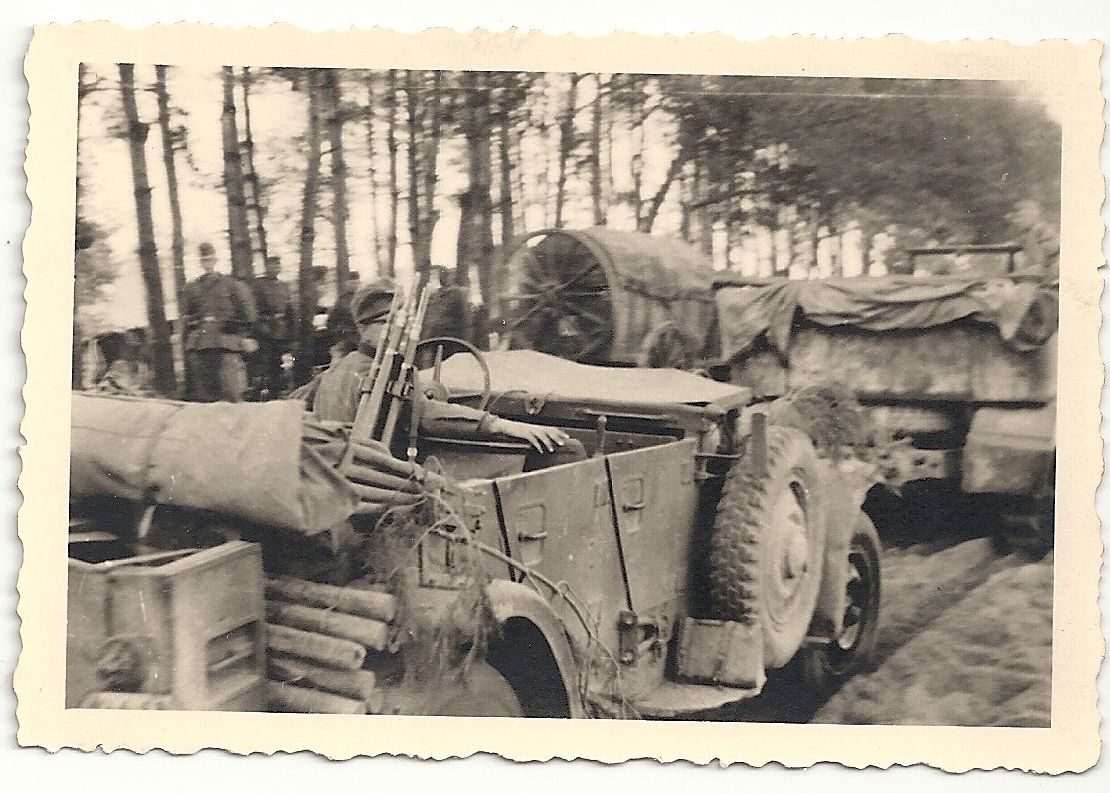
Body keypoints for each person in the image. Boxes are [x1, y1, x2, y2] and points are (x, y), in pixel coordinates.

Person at [302, 279, 586, 466]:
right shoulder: (383, 375)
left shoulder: (334, 371)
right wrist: (506, 425)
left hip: (346, 477)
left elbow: (297, 403)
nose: (401, 332)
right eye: (392, 323)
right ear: (367, 328)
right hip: (380, 481)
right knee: (565, 451)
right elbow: (425, 414)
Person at [182, 242, 258, 402]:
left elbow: (249, 315)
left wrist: (238, 332)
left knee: (230, 393)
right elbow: (187, 316)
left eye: (209, 259)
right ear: (200, 262)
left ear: (215, 260)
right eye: (203, 260)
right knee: (206, 396)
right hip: (201, 344)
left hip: (226, 343)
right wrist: (196, 323)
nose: (206, 263)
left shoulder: (231, 285)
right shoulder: (192, 288)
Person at [252, 255, 295, 398]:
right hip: (265, 329)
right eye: (272, 266)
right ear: (266, 268)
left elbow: (289, 309)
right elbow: (254, 309)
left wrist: (290, 330)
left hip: (281, 330)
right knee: (266, 364)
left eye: (277, 266)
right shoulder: (259, 285)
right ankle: (263, 392)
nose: (275, 269)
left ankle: (277, 391)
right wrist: (261, 327)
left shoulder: (284, 286)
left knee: (280, 363)